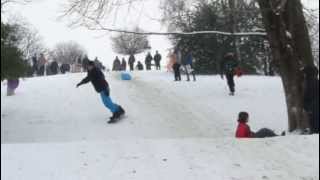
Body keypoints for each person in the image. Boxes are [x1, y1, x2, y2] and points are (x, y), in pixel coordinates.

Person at [302, 65, 319, 134]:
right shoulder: (314, 81)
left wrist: (306, 106)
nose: (304, 75)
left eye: (305, 73)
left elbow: (307, 95)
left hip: (313, 106)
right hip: (313, 105)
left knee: (314, 122)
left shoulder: (309, 82)